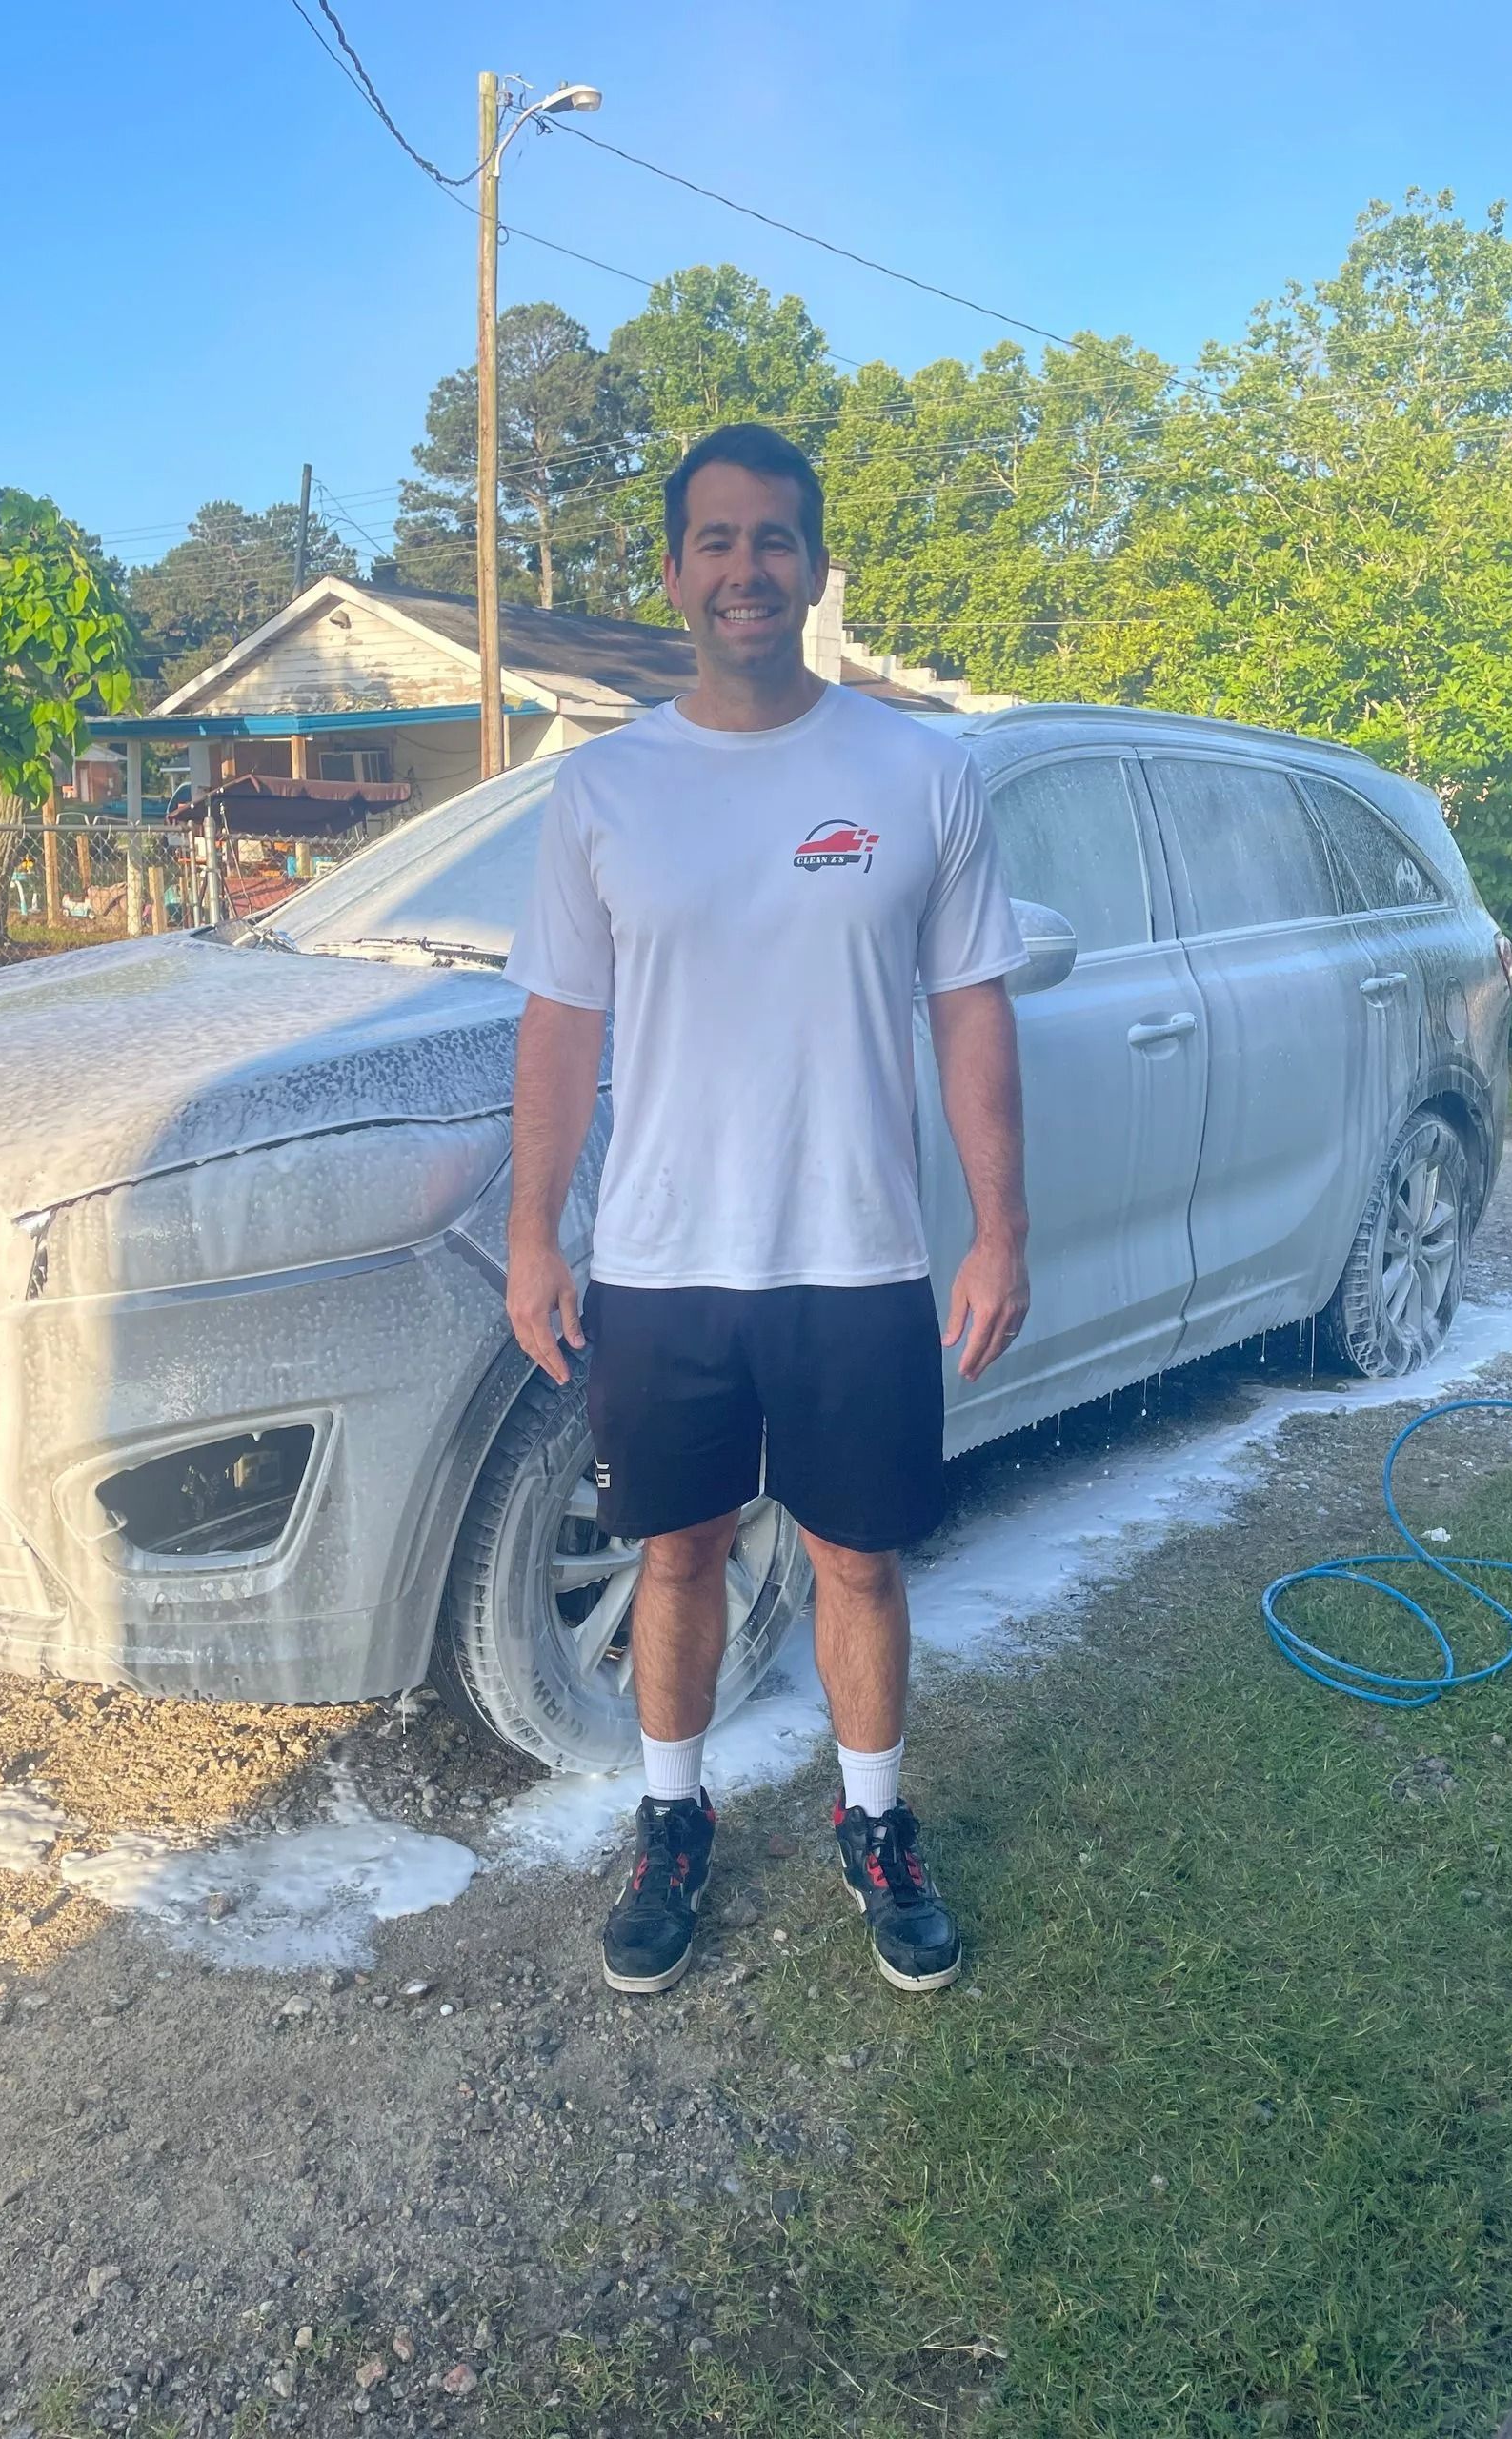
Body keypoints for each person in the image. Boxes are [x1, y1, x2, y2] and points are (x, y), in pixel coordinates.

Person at [502, 421, 1029, 1998]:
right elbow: (561, 1030)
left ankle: (877, 1827)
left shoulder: (919, 773)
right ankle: (672, 1822)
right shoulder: (602, 790)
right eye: (716, 541)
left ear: (812, 568)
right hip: (663, 1265)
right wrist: (536, 1231)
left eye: (774, 540)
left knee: (861, 1564)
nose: (746, 568)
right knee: (680, 1555)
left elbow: (973, 1010)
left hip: (858, 1259)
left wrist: (1001, 1228)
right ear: (675, 573)